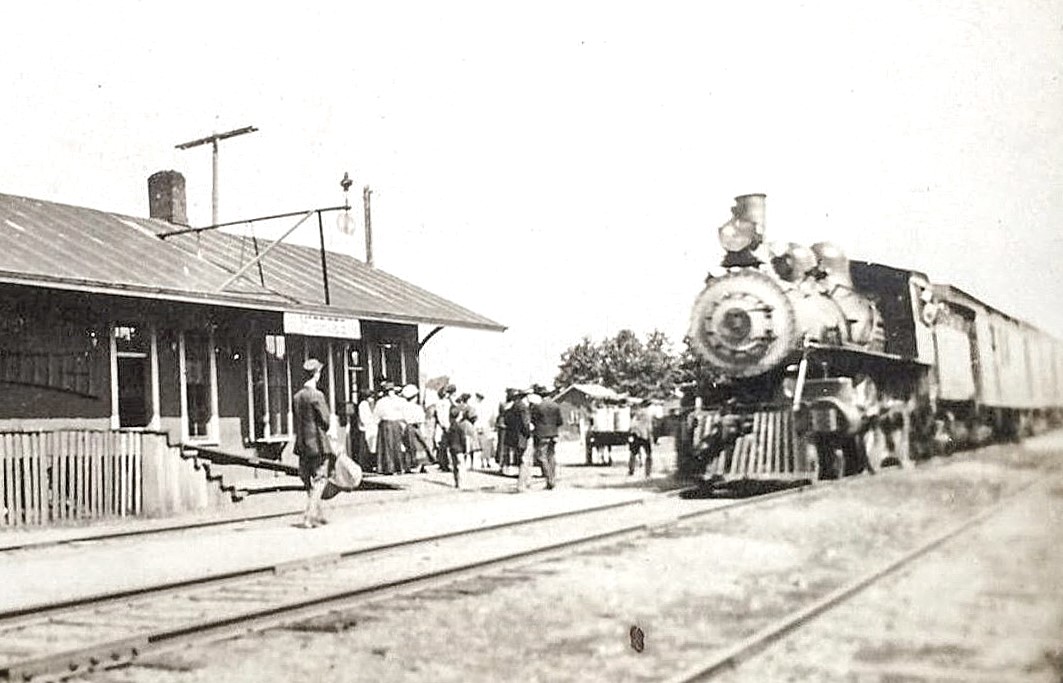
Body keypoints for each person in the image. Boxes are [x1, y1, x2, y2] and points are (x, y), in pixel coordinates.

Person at [292, 358, 334, 528]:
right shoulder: (317, 395)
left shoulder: (297, 396)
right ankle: (309, 516)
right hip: (318, 443)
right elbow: (326, 420)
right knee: (320, 479)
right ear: (317, 374)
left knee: (307, 479)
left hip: (302, 444)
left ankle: (318, 514)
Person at [529, 385, 563, 490]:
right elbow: (560, 421)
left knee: (541, 457)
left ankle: (549, 479)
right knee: (551, 456)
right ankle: (552, 478)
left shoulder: (537, 407)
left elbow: (533, 421)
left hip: (542, 435)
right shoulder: (555, 406)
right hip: (554, 434)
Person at [373, 382, 407, 474]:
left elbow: (376, 416)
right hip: (390, 423)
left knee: (391, 446)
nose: (390, 393)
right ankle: (394, 467)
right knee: (392, 445)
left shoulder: (382, 402)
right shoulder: (399, 401)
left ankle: (392, 467)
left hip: (390, 423)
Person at [504, 388, 533, 491]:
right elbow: (526, 424)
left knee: (522, 459)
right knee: (525, 460)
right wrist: (529, 432)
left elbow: (507, 422)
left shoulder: (511, 408)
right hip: (523, 437)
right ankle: (521, 485)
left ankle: (527, 481)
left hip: (515, 438)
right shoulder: (523, 408)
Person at [401, 384, 433, 472]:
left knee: (409, 447)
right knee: (419, 446)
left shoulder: (403, 407)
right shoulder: (417, 408)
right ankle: (419, 465)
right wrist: (423, 433)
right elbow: (421, 421)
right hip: (416, 428)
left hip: (407, 428)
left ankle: (409, 465)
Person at [629, 399, 654, 477]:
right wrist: (651, 436)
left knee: (633, 453)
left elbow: (632, 424)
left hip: (636, 434)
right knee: (648, 454)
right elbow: (649, 427)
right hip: (644, 434)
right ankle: (648, 473)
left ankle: (631, 470)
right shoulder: (649, 413)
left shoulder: (637, 413)